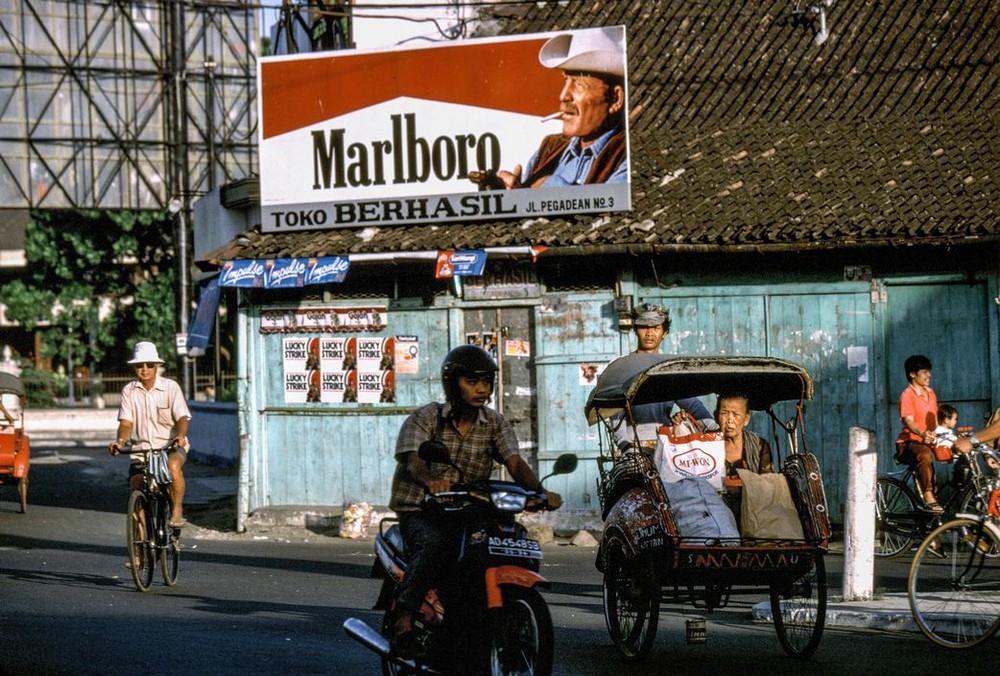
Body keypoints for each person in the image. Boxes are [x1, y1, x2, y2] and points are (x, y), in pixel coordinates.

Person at [387, 345, 561, 658]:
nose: (482, 388)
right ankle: (403, 620)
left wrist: (539, 492)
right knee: (434, 545)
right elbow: (413, 459)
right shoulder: (427, 418)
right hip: (422, 508)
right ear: (452, 384)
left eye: (486, 381)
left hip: (469, 506)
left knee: (504, 541)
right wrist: (431, 482)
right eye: (471, 381)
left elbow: (514, 462)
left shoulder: (494, 422)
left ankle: (484, 614)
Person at [468, 26, 627, 190]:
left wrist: (549, 188)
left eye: (579, 84)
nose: (564, 96)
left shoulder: (625, 154)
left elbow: (611, 212)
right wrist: (509, 193)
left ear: (615, 99)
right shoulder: (550, 147)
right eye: (566, 80)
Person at [108, 342, 191, 528]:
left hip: (169, 446)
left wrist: (181, 435)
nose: (144, 369)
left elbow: (183, 417)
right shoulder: (129, 391)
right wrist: (120, 441)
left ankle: (177, 510)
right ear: (134, 368)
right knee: (136, 486)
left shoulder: (171, 387)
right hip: (142, 449)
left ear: (157, 366)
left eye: (149, 365)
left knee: (173, 466)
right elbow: (126, 422)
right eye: (139, 365)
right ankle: (139, 550)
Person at [613, 302, 716, 450]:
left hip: (666, 444)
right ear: (635, 330)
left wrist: (714, 428)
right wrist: (625, 446)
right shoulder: (624, 368)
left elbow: (693, 405)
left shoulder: (668, 369)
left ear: (664, 333)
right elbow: (615, 415)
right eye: (644, 327)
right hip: (632, 446)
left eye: (656, 328)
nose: (649, 333)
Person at [895, 354, 942, 512]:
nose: (929, 375)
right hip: (909, 443)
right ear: (912, 374)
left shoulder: (931, 393)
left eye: (929, 371)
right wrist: (922, 434)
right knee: (925, 456)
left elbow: (935, 419)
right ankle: (928, 495)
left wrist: (944, 435)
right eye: (924, 371)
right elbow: (909, 421)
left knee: (956, 452)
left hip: (928, 441)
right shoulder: (907, 395)